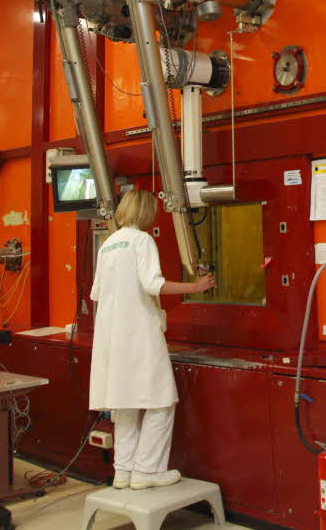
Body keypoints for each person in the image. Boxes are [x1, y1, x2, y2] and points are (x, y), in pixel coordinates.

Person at [89, 188, 215, 490]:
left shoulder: (108, 245)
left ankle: (123, 472)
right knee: (161, 401)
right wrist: (194, 287)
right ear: (146, 213)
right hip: (140, 335)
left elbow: (96, 293)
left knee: (125, 404)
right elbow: (152, 284)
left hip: (111, 337)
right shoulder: (142, 240)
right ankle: (147, 471)